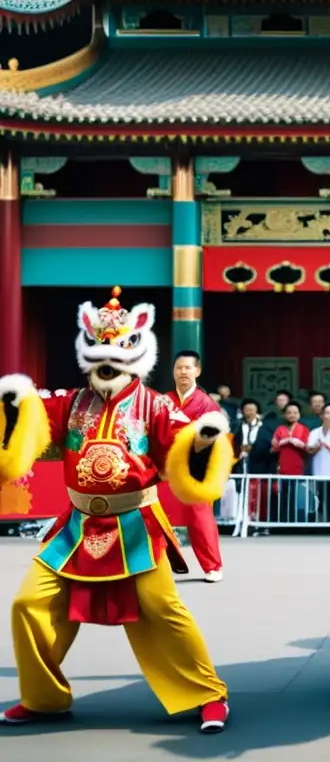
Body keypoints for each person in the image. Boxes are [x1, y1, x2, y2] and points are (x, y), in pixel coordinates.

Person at [0, 288, 233, 732]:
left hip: (135, 525)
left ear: (135, 355)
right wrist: (13, 409)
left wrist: (202, 443)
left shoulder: (156, 406)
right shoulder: (71, 402)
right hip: (75, 526)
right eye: (100, 355)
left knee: (162, 606)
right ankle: (43, 697)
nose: (107, 363)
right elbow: (30, 431)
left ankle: (209, 694)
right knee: (29, 603)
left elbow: (179, 455)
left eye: (117, 353)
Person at [160, 350, 226, 584]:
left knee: (199, 516)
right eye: (178, 367)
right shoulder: (164, 400)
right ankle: (153, 566)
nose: (183, 372)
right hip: (164, 466)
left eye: (188, 367)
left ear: (197, 371)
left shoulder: (206, 403)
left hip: (194, 468)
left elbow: (213, 439)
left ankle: (212, 566)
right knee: (149, 514)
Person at [270, 402, 309, 524]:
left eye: (295, 412)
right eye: (289, 412)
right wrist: (284, 442)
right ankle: (282, 522)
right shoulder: (280, 429)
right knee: (283, 495)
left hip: (298, 467)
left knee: (296, 495)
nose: (292, 415)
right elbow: (272, 448)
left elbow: (309, 448)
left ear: (299, 415)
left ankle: (296, 522)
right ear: (284, 415)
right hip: (283, 467)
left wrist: (299, 444)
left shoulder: (304, 429)